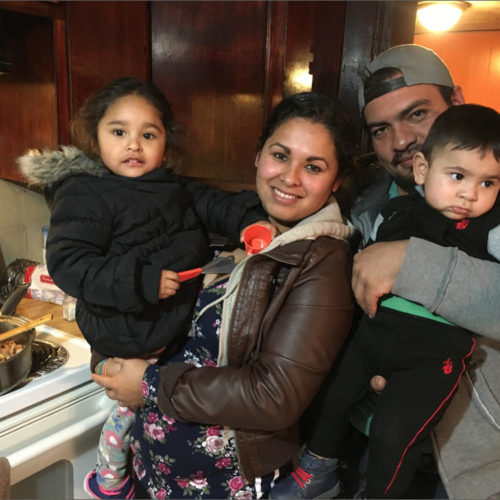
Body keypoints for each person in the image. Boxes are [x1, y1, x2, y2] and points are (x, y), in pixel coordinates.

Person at [90, 91, 357, 499]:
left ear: (336, 180)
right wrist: (110, 349)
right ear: (258, 155)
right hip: (151, 468)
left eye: (314, 167)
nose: (290, 177)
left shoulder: (324, 262)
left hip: (226, 483)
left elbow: (275, 395)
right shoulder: (224, 223)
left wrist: (147, 385)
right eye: (280, 155)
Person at [17, 77, 274, 500]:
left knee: (149, 421)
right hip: (126, 330)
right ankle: (112, 479)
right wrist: (142, 279)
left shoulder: (170, 185)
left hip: (169, 331)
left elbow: (216, 204)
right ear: (95, 138)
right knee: (132, 412)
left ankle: (123, 475)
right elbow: (69, 263)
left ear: (164, 145)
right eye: (119, 132)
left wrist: (251, 221)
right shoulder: (84, 193)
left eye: (147, 134)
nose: (133, 144)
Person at [273, 44, 500, 500]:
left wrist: (409, 263)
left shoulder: (490, 191)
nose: (401, 140)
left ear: (457, 101)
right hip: (364, 443)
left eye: (417, 113)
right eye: (381, 129)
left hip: (470, 469)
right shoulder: (363, 204)